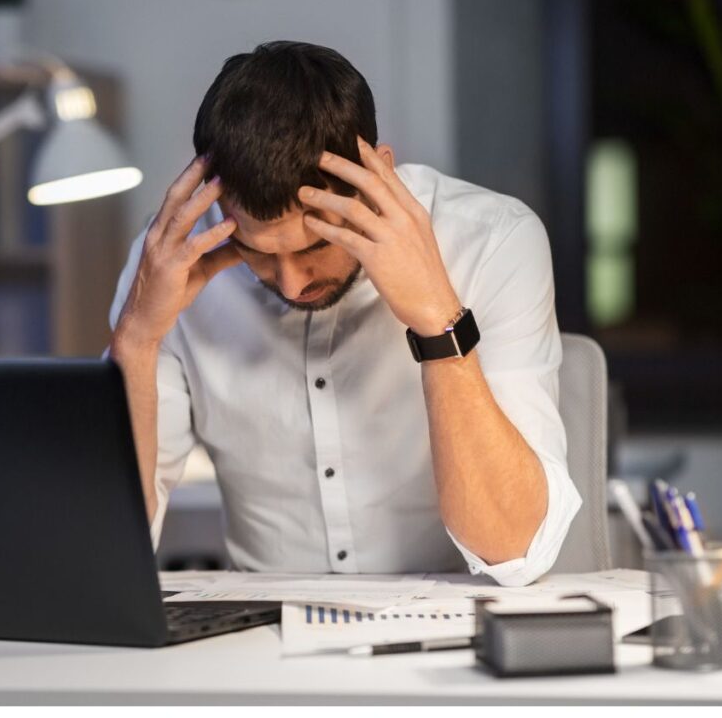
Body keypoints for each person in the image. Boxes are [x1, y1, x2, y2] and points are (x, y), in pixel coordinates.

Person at [107, 41, 580, 587]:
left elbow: (515, 549)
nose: (290, 281)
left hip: (449, 631)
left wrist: (437, 320)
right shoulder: (168, 263)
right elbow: (111, 545)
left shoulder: (493, 241)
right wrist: (136, 341)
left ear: (377, 175)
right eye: (256, 251)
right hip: (259, 638)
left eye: (314, 247)